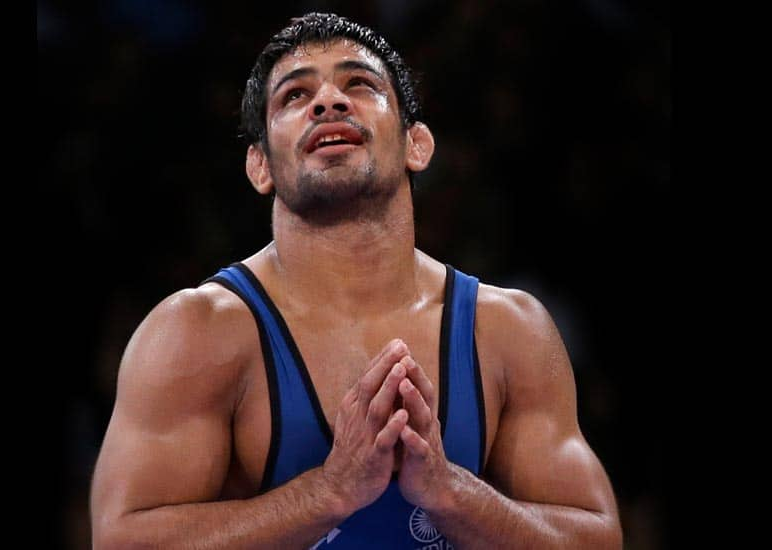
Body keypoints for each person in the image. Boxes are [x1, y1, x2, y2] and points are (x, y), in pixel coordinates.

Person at [90, 12, 622, 549]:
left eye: (360, 84)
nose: (328, 102)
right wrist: (327, 493)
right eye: (295, 97)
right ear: (260, 166)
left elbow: (600, 541)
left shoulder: (507, 330)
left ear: (417, 144)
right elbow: (121, 542)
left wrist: (450, 492)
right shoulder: (197, 332)